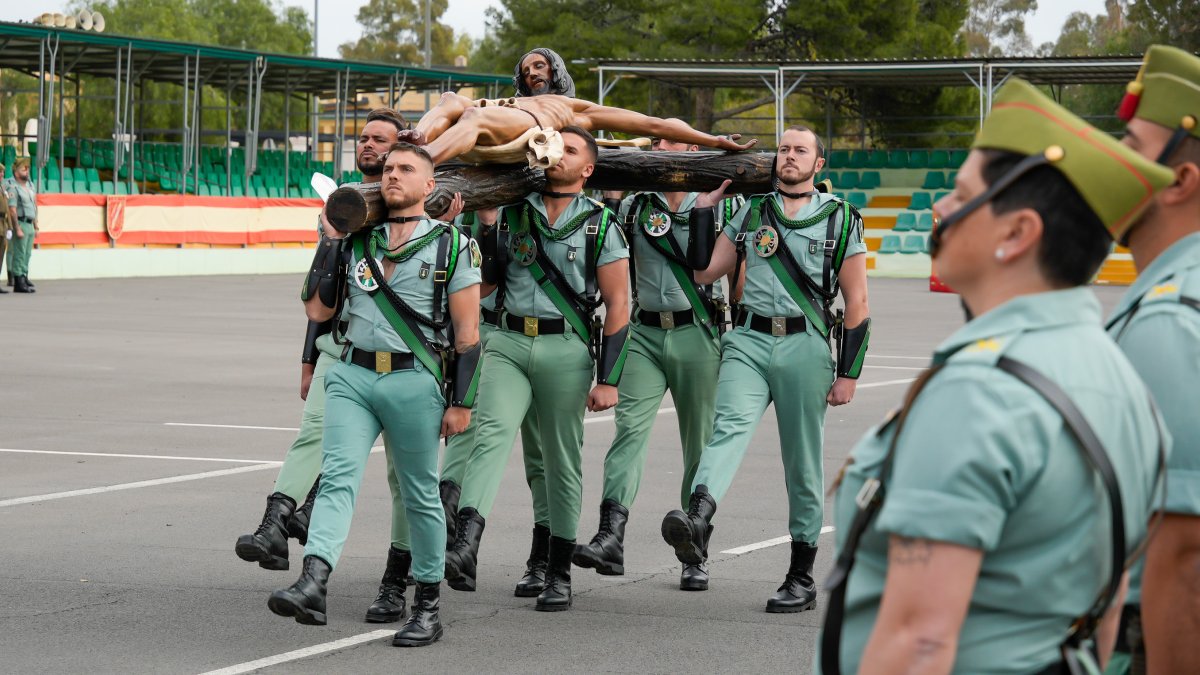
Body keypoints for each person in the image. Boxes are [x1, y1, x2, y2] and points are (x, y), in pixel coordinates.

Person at [817, 78, 1172, 675]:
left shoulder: (978, 391)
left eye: (962, 195)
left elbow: (916, 643)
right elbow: (1105, 618)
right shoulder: (1121, 376)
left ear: (1017, 233)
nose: (940, 209)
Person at [269, 142, 481, 648]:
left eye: (406, 169)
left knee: (420, 495)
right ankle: (314, 581)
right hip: (351, 375)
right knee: (338, 477)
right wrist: (331, 241)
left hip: (415, 379)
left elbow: (468, 336)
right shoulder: (357, 242)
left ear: (430, 186)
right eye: (388, 168)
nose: (392, 175)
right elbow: (318, 313)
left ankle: (427, 603)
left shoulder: (452, 245)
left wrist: (462, 402)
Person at [659, 124, 869, 613]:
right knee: (725, 429)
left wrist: (849, 372)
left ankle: (801, 575)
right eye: (783, 149)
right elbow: (705, 271)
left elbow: (857, 300)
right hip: (749, 340)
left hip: (806, 346)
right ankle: (697, 520)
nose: (789, 156)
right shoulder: (752, 211)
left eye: (800, 150)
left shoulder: (840, 219)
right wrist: (705, 213)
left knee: (802, 460)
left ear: (818, 165)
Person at [236, 108, 421, 625]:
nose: (368, 147)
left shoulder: (429, 219)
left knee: (404, 480)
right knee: (316, 442)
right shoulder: (341, 208)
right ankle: (280, 533)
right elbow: (322, 294)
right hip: (344, 354)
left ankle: (395, 580)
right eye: (363, 138)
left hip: (413, 364)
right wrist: (308, 355)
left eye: (380, 141)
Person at [444, 126, 630, 611]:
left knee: (559, 461)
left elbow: (619, 304)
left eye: (569, 150)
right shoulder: (511, 210)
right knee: (488, 434)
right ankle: (465, 543)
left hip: (565, 349)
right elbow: (484, 286)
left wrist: (608, 379)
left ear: (587, 169)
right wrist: (486, 224)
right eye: (553, 147)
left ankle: (559, 569)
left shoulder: (600, 224)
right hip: (505, 340)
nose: (557, 155)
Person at [573, 136, 741, 591]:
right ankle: (611, 535)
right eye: (661, 142)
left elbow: (737, 271)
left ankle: (694, 545)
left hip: (697, 331)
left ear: (693, 154)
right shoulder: (632, 206)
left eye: (678, 143)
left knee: (699, 442)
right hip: (645, 332)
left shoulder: (721, 204)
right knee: (629, 431)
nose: (666, 148)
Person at [1106, 44, 1200, 675]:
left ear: (1181, 182)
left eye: (1131, 149)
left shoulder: (1167, 321)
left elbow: (1185, 561)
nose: (1108, 163)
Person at [399, 90, 755, 165]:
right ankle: (420, 137)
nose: (532, 73)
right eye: (526, 68)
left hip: (526, 128)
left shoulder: (576, 109)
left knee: (475, 117)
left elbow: (653, 123)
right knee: (451, 99)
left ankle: (424, 157)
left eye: (540, 66)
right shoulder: (511, 97)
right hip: (491, 117)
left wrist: (712, 140)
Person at [4, 158, 38, 293]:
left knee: (27, 254)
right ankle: (18, 281)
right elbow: (12, 209)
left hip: (30, 223)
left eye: (28, 169)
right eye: (24, 169)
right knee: (19, 253)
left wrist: (36, 225)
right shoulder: (13, 187)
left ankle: (24, 277)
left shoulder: (29, 185)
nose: (27, 171)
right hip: (21, 222)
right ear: (16, 172)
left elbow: (34, 206)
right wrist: (16, 228)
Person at [0, 162, 12, 295]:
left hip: (3, 224)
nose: (1, 174)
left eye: (2, 172)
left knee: (1, 255)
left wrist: (9, 227)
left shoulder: (3, 188)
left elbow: (7, 209)